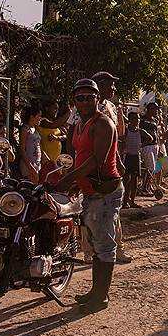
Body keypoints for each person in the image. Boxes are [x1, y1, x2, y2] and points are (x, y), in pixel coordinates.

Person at [56, 79, 122, 314]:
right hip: (90, 190)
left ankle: (101, 297)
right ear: (74, 101)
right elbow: (80, 156)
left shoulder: (103, 124)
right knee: (95, 243)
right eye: (79, 98)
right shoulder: (81, 124)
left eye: (89, 97)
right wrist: (76, 182)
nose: (84, 102)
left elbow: (97, 160)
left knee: (104, 244)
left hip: (104, 191)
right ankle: (95, 292)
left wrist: (68, 179)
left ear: (97, 99)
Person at [91, 71, 131, 264]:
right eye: (110, 84)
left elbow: (118, 135)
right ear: (99, 85)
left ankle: (118, 248)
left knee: (113, 209)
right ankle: (88, 251)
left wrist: (120, 113)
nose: (114, 88)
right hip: (89, 166)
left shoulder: (111, 107)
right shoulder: (84, 106)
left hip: (110, 165)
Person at [122, 112, 152, 209]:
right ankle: (125, 201)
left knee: (134, 180)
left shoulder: (140, 131)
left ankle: (132, 201)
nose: (137, 121)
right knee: (126, 180)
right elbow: (121, 139)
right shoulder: (126, 131)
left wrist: (141, 145)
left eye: (138, 118)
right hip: (127, 157)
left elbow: (151, 138)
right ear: (130, 120)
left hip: (136, 157)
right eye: (135, 118)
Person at [139, 102, 162, 195]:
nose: (156, 110)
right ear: (149, 109)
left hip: (155, 145)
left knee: (154, 168)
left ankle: (148, 187)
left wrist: (159, 147)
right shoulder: (142, 120)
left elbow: (156, 133)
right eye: (154, 108)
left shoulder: (155, 120)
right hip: (146, 145)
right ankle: (144, 188)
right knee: (150, 167)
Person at [37, 99, 66, 166]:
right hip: (46, 157)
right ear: (47, 108)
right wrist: (69, 113)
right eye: (54, 108)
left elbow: (65, 136)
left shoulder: (56, 122)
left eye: (58, 109)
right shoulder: (42, 121)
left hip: (57, 157)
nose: (57, 111)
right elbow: (52, 125)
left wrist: (57, 137)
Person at [19, 104, 42, 184]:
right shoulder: (26, 129)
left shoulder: (35, 129)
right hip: (28, 164)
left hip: (37, 163)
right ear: (32, 117)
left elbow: (38, 146)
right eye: (38, 116)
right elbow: (22, 149)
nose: (40, 118)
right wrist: (30, 167)